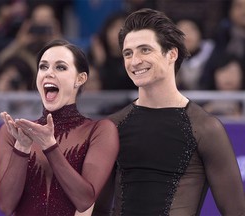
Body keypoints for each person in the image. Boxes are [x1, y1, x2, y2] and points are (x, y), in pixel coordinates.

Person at [93, 8, 245, 215]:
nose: (135, 61)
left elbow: (236, 211)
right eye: (128, 53)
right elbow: (97, 209)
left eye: (145, 50)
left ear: (172, 53)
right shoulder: (112, 126)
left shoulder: (205, 128)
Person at [0, 39, 119, 215]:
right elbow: (5, 206)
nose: (48, 73)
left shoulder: (100, 131)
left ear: (80, 78)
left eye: (60, 67)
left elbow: (84, 200)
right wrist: (22, 147)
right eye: (43, 67)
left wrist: (49, 147)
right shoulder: (13, 133)